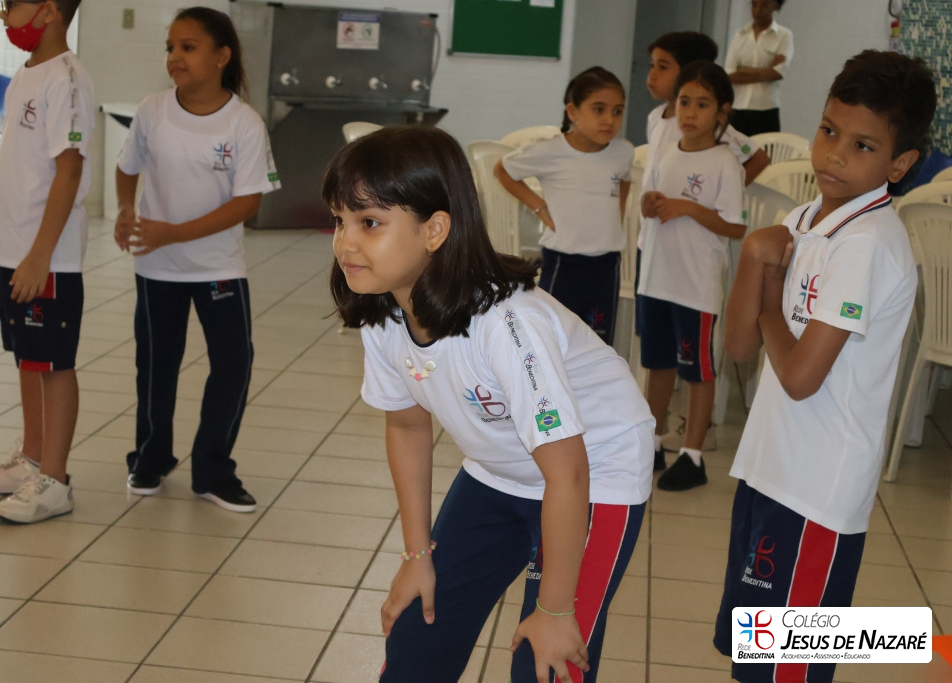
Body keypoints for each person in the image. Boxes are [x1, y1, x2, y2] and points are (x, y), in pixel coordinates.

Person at [329, 126, 654, 682]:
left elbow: (569, 473)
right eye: (340, 220)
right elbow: (407, 428)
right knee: (417, 639)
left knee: (545, 663)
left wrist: (555, 611)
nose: (345, 243)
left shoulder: (507, 323)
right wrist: (417, 557)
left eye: (369, 223)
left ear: (435, 230)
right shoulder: (382, 310)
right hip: (500, 471)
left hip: (595, 473)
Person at [714, 50, 936, 683]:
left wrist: (766, 300)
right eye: (829, 130)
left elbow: (799, 377)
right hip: (768, 470)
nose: (835, 154)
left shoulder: (868, 244)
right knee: (754, 664)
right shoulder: (804, 220)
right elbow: (738, 350)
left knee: (787, 672)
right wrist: (753, 261)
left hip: (815, 496)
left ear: (899, 164)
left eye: (862, 145)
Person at [114, 7, 279, 512]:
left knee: (233, 364)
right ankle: (150, 458)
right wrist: (125, 209)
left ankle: (213, 471)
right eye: (170, 47)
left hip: (218, 268)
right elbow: (126, 166)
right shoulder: (153, 110)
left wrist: (173, 233)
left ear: (221, 56)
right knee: (155, 364)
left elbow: (247, 203)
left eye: (188, 47)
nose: (175, 57)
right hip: (156, 268)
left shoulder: (244, 123)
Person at [0, 0, 93, 524]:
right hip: (15, 249)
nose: (2, 16)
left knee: (54, 365)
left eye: (10, 5)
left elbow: (68, 171)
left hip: (48, 256)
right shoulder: (25, 73)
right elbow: (14, 165)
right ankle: (31, 460)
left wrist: (40, 255)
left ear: (48, 11)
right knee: (27, 357)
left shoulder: (67, 79)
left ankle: (55, 481)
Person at [641, 31, 770, 462]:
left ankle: (693, 453)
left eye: (702, 104)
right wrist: (649, 203)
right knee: (657, 364)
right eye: (684, 102)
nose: (690, 113)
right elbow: (653, 199)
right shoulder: (667, 152)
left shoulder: (725, 162)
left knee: (696, 369)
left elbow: (734, 226)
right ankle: (653, 440)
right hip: (657, 277)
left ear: (722, 112)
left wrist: (688, 209)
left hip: (694, 285)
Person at [494, 67, 633, 346]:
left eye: (617, 111)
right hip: (564, 263)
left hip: (606, 265)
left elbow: (625, 180)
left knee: (598, 344)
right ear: (572, 111)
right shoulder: (551, 150)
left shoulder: (623, 151)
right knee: (555, 341)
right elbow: (502, 170)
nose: (609, 120)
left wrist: (616, 215)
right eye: (599, 109)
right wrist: (539, 207)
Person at [724, 0, 794, 136]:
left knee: (764, 148)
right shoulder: (740, 35)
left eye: (764, 6)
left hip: (766, 110)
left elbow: (777, 73)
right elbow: (730, 75)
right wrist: (766, 71)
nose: (758, 10)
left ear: (775, 6)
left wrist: (744, 70)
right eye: (754, 4)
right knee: (735, 148)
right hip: (738, 108)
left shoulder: (784, 35)